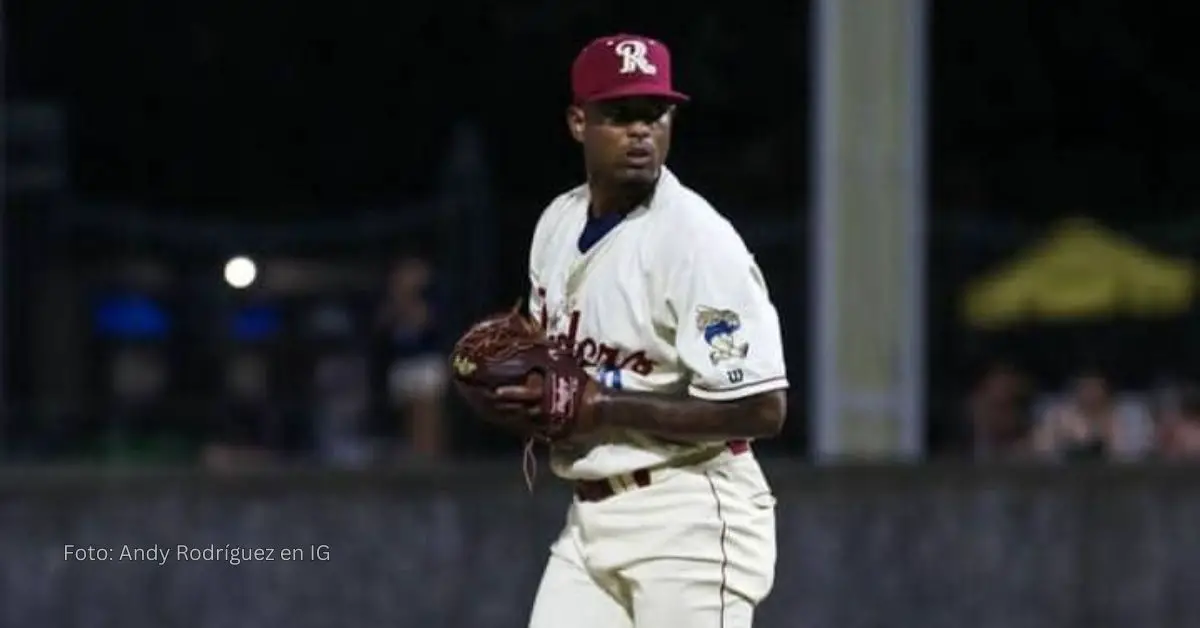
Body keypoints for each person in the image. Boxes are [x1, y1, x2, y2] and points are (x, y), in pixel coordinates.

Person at [484, 34, 788, 628]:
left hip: (690, 515)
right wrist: (525, 388)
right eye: (620, 115)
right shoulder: (557, 222)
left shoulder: (697, 241)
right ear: (579, 122)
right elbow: (561, 366)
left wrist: (604, 405)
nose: (641, 131)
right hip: (590, 520)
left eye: (656, 113)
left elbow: (762, 409)